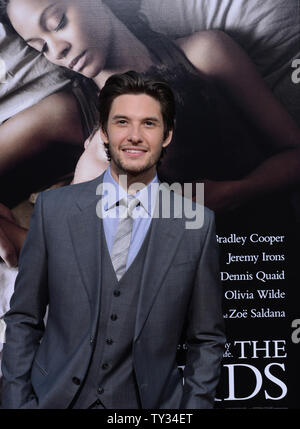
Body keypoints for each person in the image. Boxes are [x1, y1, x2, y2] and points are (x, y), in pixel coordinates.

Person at [1, 71, 225, 409]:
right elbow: (22, 320)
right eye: (110, 151)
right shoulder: (47, 211)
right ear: (96, 135)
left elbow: (207, 339)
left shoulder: (191, 228)